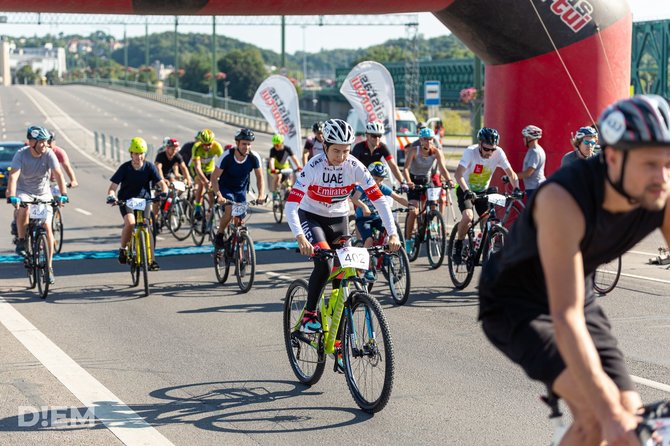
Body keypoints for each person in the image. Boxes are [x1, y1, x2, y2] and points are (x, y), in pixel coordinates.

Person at [478, 94, 670, 446]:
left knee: (631, 410)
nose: (662, 177)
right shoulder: (563, 199)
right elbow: (564, 318)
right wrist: (611, 417)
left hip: (579, 293)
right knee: (601, 415)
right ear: (612, 157)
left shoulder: (662, 191)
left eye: (668, 163)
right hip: (517, 304)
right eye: (649, 164)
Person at [285, 118, 401, 333]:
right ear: (325, 147)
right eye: (336, 151)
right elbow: (291, 205)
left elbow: (379, 200)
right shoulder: (313, 166)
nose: (341, 157)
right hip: (312, 217)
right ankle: (309, 315)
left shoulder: (354, 165)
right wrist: (300, 237)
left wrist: (392, 234)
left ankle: (339, 338)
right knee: (325, 264)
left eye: (346, 151)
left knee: (344, 272)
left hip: (340, 219)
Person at [6, 126, 69, 283]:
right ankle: (22, 240)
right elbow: (13, 176)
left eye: (46, 142)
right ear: (31, 142)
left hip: (43, 193)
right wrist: (13, 196)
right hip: (23, 191)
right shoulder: (21, 154)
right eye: (41, 142)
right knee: (23, 211)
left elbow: (58, 174)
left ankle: (49, 268)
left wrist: (63, 194)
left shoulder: (49, 153)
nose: (45, 145)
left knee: (47, 227)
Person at [452, 127, 519, 264]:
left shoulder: (498, 153)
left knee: (488, 220)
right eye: (487, 149)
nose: (490, 153)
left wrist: (517, 189)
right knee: (468, 217)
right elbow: (458, 174)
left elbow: (511, 174)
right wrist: (466, 191)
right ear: (480, 144)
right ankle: (458, 244)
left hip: (483, 190)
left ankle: (480, 246)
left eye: (492, 149)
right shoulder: (470, 152)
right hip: (465, 189)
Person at [106, 137, 167, 271]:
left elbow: (161, 183)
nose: (138, 156)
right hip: (126, 200)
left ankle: (151, 260)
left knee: (147, 225)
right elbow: (113, 187)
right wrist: (111, 196)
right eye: (135, 153)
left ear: (144, 154)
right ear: (131, 154)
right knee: (131, 223)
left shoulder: (149, 166)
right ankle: (123, 249)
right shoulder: (125, 168)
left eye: (141, 153)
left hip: (143, 200)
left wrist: (164, 192)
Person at [350, 161, 409, 281]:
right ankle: (367, 269)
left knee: (389, 230)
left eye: (381, 179)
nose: (378, 182)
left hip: (377, 218)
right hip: (364, 219)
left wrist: (411, 205)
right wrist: (364, 207)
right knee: (369, 240)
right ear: (369, 176)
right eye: (375, 178)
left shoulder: (382, 187)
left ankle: (387, 253)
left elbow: (397, 197)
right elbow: (354, 198)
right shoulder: (363, 186)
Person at [211, 128, 267, 248]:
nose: (246, 147)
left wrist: (261, 194)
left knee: (240, 220)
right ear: (237, 143)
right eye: (243, 144)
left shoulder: (254, 157)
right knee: (230, 210)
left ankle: (236, 244)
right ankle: (220, 234)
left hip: (241, 189)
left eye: (249, 144)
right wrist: (219, 195)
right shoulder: (227, 156)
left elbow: (260, 177)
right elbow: (214, 178)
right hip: (226, 188)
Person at [403, 127, 456, 251]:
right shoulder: (414, 151)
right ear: (420, 140)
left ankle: (430, 223)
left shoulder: (436, 151)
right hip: (414, 182)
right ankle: (408, 239)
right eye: (425, 139)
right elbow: (405, 168)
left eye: (430, 139)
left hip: (427, 181)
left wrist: (449, 180)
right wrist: (409, 182)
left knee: (433, 205)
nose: (428, 142)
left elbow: (442, 168)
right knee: (414, 211)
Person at [351, 120, 405, 184]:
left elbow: (393, 165)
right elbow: (351, 167)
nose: (377, 139)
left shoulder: (382, 147)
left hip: (376, 181)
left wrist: (402, 182)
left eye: (379, 136)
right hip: (361, 179)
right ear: (367, 136)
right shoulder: (359, 147)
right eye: (374, 136)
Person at [152, 138, 192, 218]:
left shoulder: (177, 155)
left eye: (176, 149)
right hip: (158, 177)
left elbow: (184, 167)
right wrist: (162, 180)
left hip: (168, 176)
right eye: (173, 149)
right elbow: (158, 169)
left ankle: (168, 204)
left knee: (178, 186)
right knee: (157, 199)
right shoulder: (160, 156)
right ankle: (155, 219)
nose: (174, 151)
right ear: (167, 148)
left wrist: (188, 179)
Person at [190, 128, 224, 219]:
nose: (207, 147)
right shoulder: (196, 147)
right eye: (204, 144)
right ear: (201, 142)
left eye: (209, 144)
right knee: (201, 184)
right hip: (197, 169)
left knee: (211, 191)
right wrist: (205, 181)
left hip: (210, 170)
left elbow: (223, 164)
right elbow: (197, 167)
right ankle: (197, 209)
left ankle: (210, 211)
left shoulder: (217, 146)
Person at [516, 125, 546, 199]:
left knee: (533, 210)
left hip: (534, 188)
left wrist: (511, 177)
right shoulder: (535, 150)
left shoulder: (534, 152)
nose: (523, 139)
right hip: (534, 188)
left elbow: (528, 173)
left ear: (529, 138)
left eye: (524, 137)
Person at [268, 133, 302, 198]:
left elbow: (294, 158)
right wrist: (272, 169)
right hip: (276, 169)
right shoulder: (273, 150)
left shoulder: (287, 149)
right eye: (274, 145)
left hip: (285, 168)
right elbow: (271, 161)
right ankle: (275, 192)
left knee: (290, 176)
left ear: (282, 143)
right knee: (278, 176)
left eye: (277, 145)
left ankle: (288, 191)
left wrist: (298, 166)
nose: (275, 147)